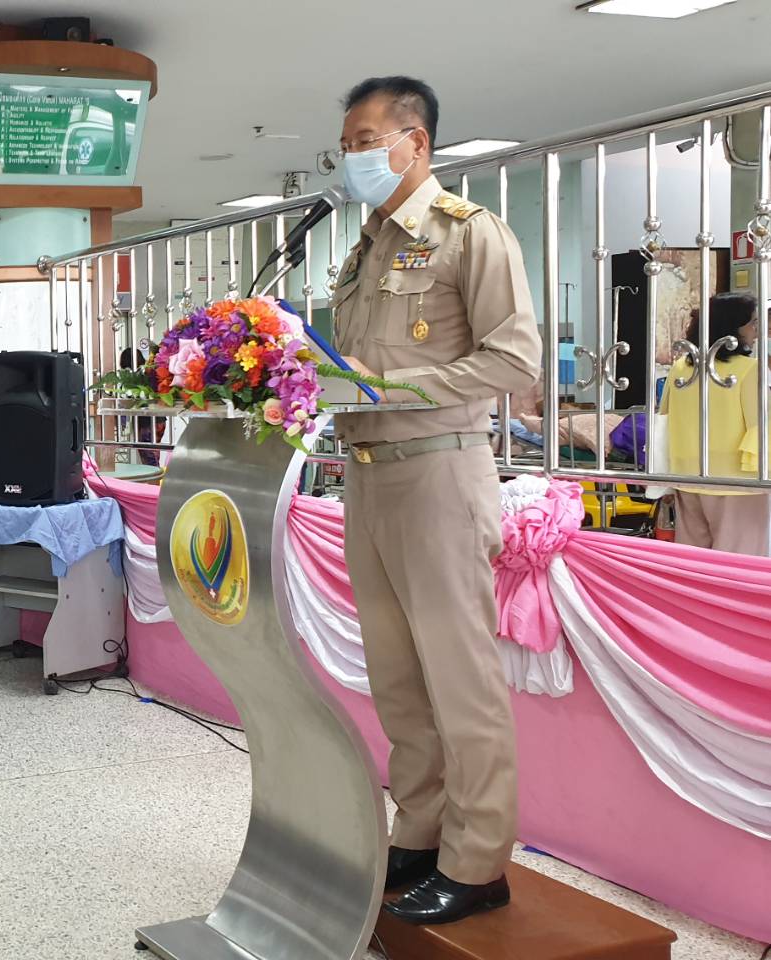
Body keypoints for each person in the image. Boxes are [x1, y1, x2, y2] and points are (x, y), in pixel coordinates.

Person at [331, 76, 541, 925]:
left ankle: (478, 860)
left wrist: (387, 389)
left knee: (460, 681)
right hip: (368, 476)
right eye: (346, 145)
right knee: (398, 680)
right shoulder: (364, 248)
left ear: (414, 143)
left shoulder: (469, 233)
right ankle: (419, 832)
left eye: (366, 140)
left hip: (439, 473)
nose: (353, 157)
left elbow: (514, 360)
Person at [662, 293, 767, 555]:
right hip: (738, 480)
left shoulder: (680, 368)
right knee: (738, 558)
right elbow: (760, 426)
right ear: (733, 327)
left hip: (687, 474)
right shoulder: (749, 369)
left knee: (693, 558)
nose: (757, 330)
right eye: (753, 323)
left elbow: (664, 418)